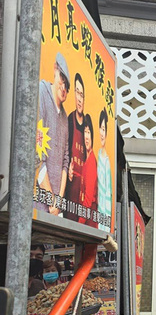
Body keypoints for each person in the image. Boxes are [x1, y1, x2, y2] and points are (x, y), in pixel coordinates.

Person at [36, 52, 70, 216]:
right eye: (62, 80)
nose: (63, 88)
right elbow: (36, 152)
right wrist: (51, 199)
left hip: (54, 208)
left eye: (67, 86)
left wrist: (59, 200)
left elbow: (66, 159)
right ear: (55, 71)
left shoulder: (64, 117)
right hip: (34, 202)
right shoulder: (41, 92)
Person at [65, 73, 86, 220]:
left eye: (82, 94)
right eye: (77, 93)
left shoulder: (88, 125)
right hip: (69, 190)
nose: (79, 98)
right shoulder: (69, 120)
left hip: (84, 193)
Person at [79, 115, 98, 227]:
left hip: (88, 223)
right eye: (85, 132)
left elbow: (88, 199)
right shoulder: (87, 159)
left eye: (89, 132)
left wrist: (79, 224)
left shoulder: (91, 162)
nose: (86, 137)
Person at [97, 109, 112, 230]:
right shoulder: (96, 155)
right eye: (100, 129)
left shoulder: (107, 161)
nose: (102, 133)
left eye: (104, 129)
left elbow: (108, 195)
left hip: (103, 218)